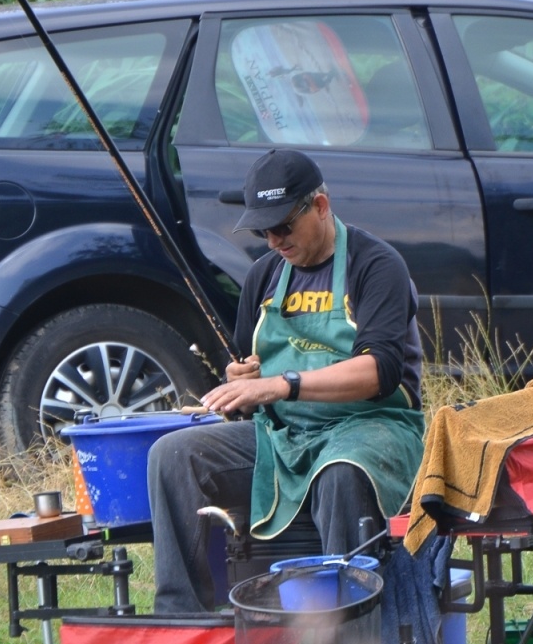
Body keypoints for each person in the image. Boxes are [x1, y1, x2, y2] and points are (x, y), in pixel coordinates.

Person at [148, 149, 427, 614]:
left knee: (342, 472)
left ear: (319, 205)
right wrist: (239, 386)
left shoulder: (376, 265)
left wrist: (281, 385)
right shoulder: (264, 276)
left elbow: (380, 371)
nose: (274, 240)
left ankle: (346, 632)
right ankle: (183, 622)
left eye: (283, 226)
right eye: (263, 230)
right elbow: (251, 374)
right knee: (173, 455)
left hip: (373, 429)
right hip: (283, 437)